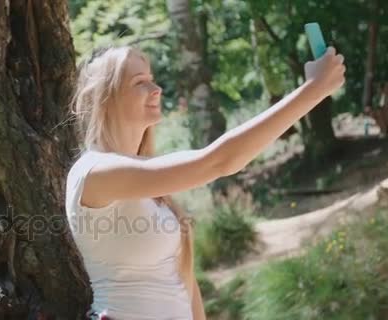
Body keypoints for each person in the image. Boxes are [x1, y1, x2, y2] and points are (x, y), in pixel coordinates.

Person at [65, 45, 345, 320]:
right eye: (140, 82)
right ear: (105, 99)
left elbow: (183, 284)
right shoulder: (95, 172)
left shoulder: (149, 184)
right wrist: (314, 89)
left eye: (152, 79)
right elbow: (218, 161)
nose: (156, 89)